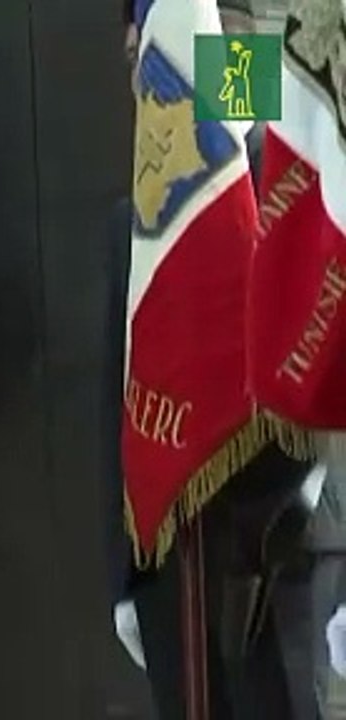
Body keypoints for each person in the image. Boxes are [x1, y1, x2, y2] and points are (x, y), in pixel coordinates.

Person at [106, 2, 321, 717]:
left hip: (286, 550)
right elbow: (118, 401)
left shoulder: (297, 194)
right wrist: (123, 579)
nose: (140, 54)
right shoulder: (141, 228)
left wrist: (312, 477)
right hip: (177, 565)